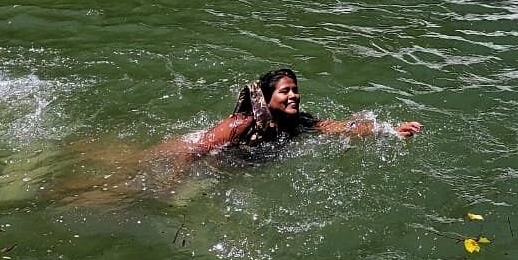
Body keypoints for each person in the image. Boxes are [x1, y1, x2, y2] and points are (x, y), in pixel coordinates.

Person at [145, 68, 422, 169]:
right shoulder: (240, 123)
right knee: (130, 165)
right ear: (266, 98)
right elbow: (196, 150)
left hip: (226, 166)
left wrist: (390, 131)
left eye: (295, 90)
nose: (293, 96)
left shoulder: (297, 123)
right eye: (284, 91)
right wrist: (173, 182)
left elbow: (339, 127)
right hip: (182, 151)